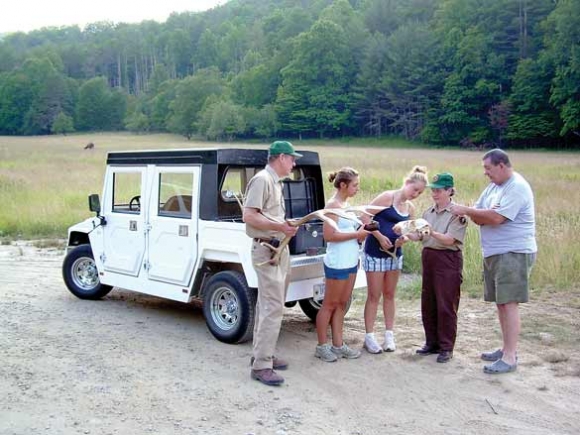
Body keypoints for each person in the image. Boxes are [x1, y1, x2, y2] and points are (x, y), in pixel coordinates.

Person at [451, 149, 537, 374]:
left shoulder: (517, 187)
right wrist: (478, 213)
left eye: (488, 168)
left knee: (509, 303)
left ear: (501, 165)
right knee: (501, 302)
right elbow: (481, 217)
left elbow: (496, 218)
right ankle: (506, 348)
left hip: (513, 252)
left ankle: (509, 357)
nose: (485, 174)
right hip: (495, 252)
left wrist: (468, 210)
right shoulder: (493, 187)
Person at [243, 140, 302, 386]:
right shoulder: (262, 180)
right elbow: (249, 215)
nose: (294, 163)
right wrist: (280, 226)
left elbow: (269, 215)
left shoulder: (274, 182)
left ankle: (262, 354)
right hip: (266, 250)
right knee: (272, 306)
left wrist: (286, 224)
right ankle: (262, 365)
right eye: (291, 158)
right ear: (280, 157)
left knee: (270, 304)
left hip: (278, 249)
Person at [362, 166, 428, 354]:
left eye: (420, 192)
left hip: (394, 255)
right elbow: (365, 216)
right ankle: (369, 336)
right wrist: (380, 237)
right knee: (374, 295)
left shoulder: (410, 208)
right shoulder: (386, 197)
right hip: (375, 253)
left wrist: (403, 240)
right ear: (407, 183)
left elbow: (410, 231)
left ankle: (389, 335)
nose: (416, 194)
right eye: (415, 189)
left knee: (390, 294)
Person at [402, 173, 467, 363]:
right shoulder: (428, 212)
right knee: (428, 301)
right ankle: (431, 342)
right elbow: (420, 236)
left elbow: (450, 240)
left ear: (449, 191)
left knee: (446, 303)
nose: (435, 194)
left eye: (438, 190)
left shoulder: (457, 214)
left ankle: (446, 347)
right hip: (429, 256)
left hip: (448, 259)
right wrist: (405, 232)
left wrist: (433, 232)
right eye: (433, 190)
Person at [315, 168, 368, 362]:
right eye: (355, 185)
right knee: (329, 304)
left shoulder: (347, 205)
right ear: (343, 185)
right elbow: (329, 235)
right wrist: (357, 234)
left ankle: (338, 344)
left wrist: (363, 230)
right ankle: (322, 346)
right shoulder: (332, 205)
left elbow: (349, 234)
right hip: (337, 263)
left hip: (351, 261)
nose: (357, 188)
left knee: (341, 304)